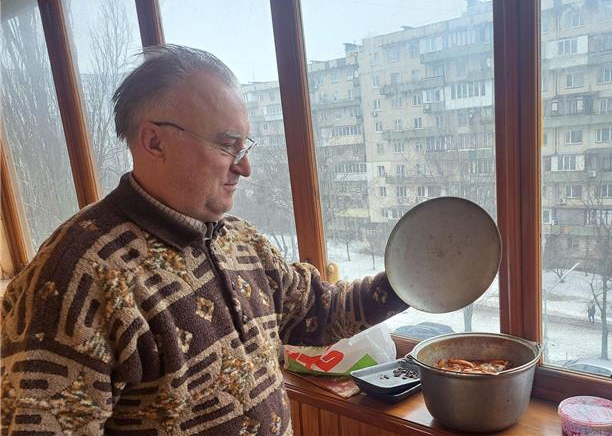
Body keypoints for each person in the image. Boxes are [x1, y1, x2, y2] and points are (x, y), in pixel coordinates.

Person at [0, 45, 409, 436]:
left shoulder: (242, 241)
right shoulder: (78, 276)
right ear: (154, 141)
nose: (244, 167)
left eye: (244, 145)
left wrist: (413, 279)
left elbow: (319, 312)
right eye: (227, 145)